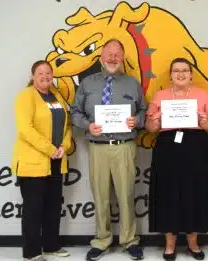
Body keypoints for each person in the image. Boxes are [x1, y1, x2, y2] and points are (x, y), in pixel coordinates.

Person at [70, 39, 146, 261]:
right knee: (101, 196)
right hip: (98, 147)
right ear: (101, 57)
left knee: (126, 195)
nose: (113, 58)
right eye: (109, 54)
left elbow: (144, 110)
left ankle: (129, 240)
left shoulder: (133, 84)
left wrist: (137, 120)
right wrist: (87, 125)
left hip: (124, 147)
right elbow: (75, 112)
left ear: (122, 58)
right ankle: (102, 240)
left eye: (117, 54)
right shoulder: (87, 84)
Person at [146, 57, 208, 261]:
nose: (180, 74)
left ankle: (193, 243)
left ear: (191, 74)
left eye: (184, 70)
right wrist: (154, 121)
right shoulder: (160, 96)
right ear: (170, 75)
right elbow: (150, 128)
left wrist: (206, 122)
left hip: (196, 148)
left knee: (194, 193)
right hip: (167, 148)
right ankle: (170, 245)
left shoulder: (202, 94)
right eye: (176, 70)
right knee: (168, 193)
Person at [12, 60, 72, 261]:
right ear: (33, 76)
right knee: (33, 209)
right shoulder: (25, 96)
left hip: (56, 161)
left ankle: (51, 246)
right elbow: (25, 129)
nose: (45, 76)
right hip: (33, 163)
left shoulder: (56, 96)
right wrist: (50, 149)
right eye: (40, 73)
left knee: (53, 207)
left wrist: (65, 146)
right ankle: (31, 252)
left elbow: (67, 126)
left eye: (48, 73)